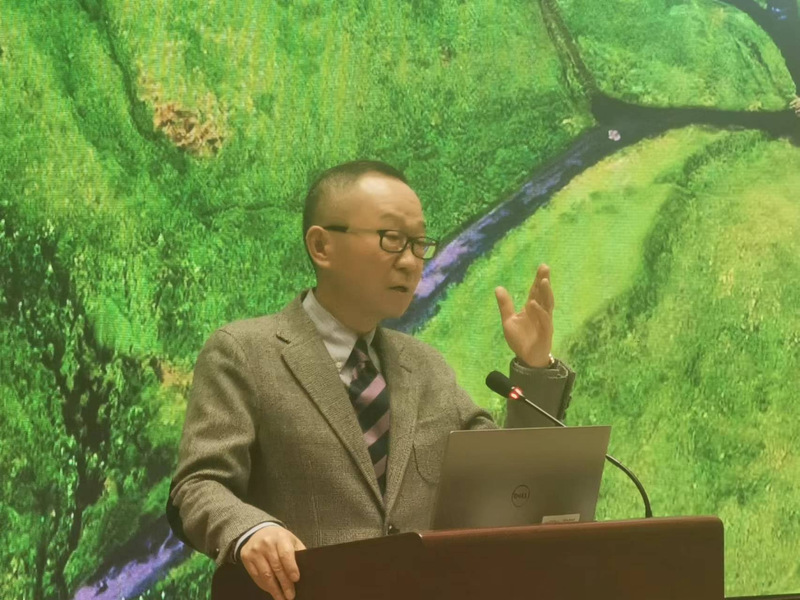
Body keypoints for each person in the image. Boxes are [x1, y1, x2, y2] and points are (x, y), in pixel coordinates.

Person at [167, 160, 576, 600]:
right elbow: (198, 485)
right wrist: (251, 530)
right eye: (392, 239)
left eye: (419, 244)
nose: (410, 262)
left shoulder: (425, 366)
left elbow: (512, 485)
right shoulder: (244, 352)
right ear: (322, 246)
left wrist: (534, 367)